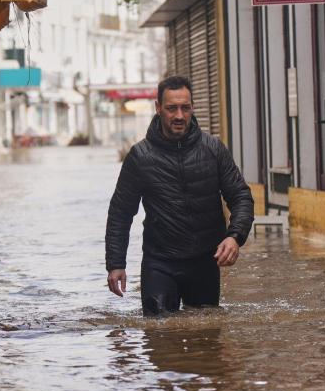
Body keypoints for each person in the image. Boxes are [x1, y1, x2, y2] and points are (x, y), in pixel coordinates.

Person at [105, 76, 254, 316]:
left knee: (206, 340)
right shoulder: (140, 156)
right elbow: (120, 213)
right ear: (158, 108)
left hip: (205, 262)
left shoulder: (213, 149)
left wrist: (235, 236)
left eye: (185, 108)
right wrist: (116, 264)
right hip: (160, 262)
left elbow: (241, 197)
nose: (179, 116)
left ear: (192, 108)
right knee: (159, 336)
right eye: (172, 108)